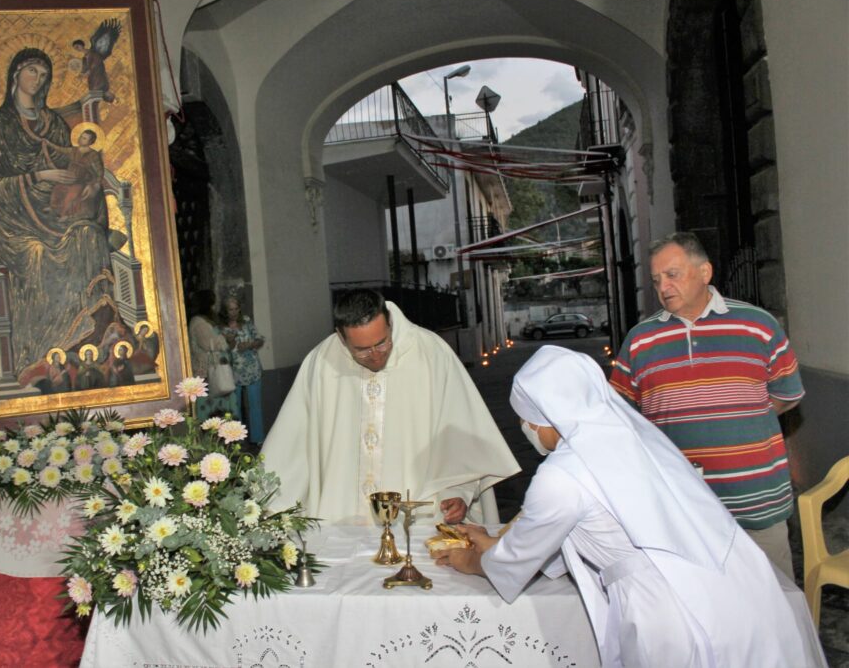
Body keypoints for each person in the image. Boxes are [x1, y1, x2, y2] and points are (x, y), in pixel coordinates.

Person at [433, 346, 823, 668]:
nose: (525, 428)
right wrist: (488, 538)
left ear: (547, 415)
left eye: (526, 419)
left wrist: (469, 560)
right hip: (733, 586)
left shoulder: (561, 474)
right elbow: (572, 535)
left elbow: (519, 559)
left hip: (666, 609)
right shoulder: (636, 438)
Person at [609, 232, 803, 579]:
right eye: (656, 280)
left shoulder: (758, 326)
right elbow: (621, 415)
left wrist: (737, 420)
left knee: (778, 606)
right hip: (681, 511)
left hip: (756, 502)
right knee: (702, 614)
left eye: (672, 274)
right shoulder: (640, 341)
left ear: (705, 272)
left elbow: (786, 396)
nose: (663, 287)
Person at [261, 288, 520, 525]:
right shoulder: (321, 362)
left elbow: (460, 433)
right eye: (362, 350)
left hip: (417, 516)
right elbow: (292, 443)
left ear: (390, 322)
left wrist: (457, 491)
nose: (375, 355)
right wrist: (267, 502)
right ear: (341, 337)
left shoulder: (431, 353)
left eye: (382, 343)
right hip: (341, 517)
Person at [0, 48, 119, 381]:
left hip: (60, 210)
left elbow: (77, 162)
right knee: (39, 254)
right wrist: (38, 177)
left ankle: (91, 337)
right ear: (15, 74)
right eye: (31, 70)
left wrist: (88, 185)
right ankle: (40, 352)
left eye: (43, 74)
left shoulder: (53, 122)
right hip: (18, 220)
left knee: (89, 236)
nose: (37, 79)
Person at [220, 295, 266, 445]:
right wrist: (230, 341)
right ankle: (236, 440)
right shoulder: (221, 327)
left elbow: (260, 339)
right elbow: (221, 349)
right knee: (235, 407)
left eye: (236, 309)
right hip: (233, 371)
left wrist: (250, 344)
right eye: (230, 309)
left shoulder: (246, 322)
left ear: (239, 309)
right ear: (225, 311)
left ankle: (258, 439)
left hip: (252, 368)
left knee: (255, 405)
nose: (233, 312)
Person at [187, 289, 239, 420]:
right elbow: (209, 344)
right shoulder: (198, 323)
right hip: (207, 375)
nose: (215, 306)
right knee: (211, 414)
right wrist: (224, 337)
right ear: (207, 305)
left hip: (214, 373)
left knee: (220, 412)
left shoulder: (205, 321)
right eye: (213, 303)